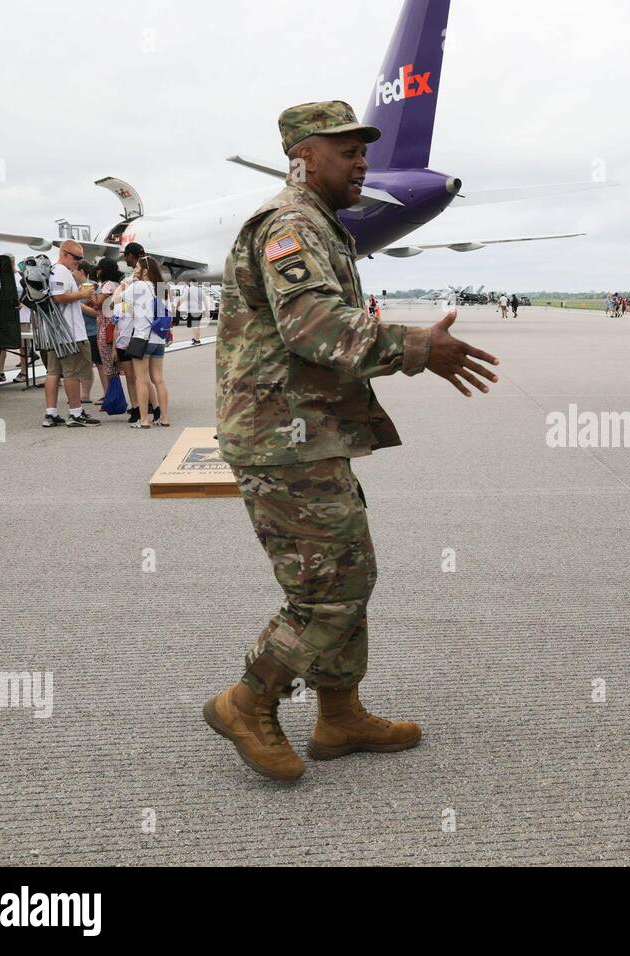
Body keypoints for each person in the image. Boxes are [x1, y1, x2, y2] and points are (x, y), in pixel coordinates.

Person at [204, 100, 500, 783]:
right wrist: (420, 345)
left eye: (363, 149)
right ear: (305, 158)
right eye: (347, 151)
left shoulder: (322, 225)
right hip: (282, 438)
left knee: (343, 575)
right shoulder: (289, 224)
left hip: (304, 433)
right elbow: (313, 325)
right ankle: (248, 702)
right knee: (332, 587)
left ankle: (339, 715)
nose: (362, 160)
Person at [37, 242, 100, 426]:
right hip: (69, 333)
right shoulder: (62, 271)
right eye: (76, 257)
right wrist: (82, 294)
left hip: (55, 332)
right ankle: (75, 413)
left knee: (53, 372)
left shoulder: (54, 271)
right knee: (72, 373)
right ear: (64, 254)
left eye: (81, 258)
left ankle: (51, 413)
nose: (78, 262)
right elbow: (59, 297)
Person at [115, 257, 171, 427]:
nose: (135, 270)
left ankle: (144, 420)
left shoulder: (138, 286)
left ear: (145, 270)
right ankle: (165, 418)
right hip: (158, 339)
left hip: (141, 337)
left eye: (137, 268)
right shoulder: (161, 288)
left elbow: (115, 300)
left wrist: (124, 284)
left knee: (141, 379)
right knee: (158, 379)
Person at [73, 260, 107, 404]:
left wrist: (78, 304)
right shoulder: (74, 287)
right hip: (79, 331)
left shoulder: (93, 287)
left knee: (99, 364)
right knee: (84, 365)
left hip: (93, 331)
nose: (71, 272)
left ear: (81, 271)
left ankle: (107, 394)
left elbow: (97, 312)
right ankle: (84, 395)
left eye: (74, 270)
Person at [91, 258, 122, 401]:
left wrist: (90, 291)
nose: (97, 271)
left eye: (99, 268)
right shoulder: (118, 284)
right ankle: (115, 397)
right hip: (115, 325)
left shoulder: (107, 285)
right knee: (115, 365)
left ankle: (112, 398)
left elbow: (97, 304)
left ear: (103, 270)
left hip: (106, 328)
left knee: (108, 365)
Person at [175, 281, 209, 346]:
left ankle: (197, 340)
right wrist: (207, 310)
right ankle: (197, 338)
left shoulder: (188, 290)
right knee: (197, 326)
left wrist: (177, 306)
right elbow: (205, 300)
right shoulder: (200, 290)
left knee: (195, 326)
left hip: (192, 311)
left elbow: (182, 299)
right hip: (199, 311)